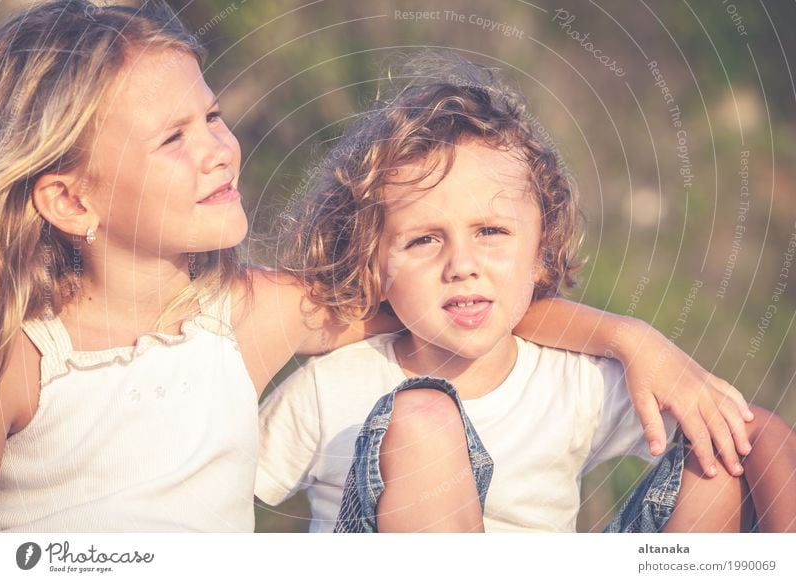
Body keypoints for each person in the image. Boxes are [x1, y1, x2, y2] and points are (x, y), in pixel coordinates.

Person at [0, 1, 750, 532]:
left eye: (214, 117)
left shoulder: (246, 316)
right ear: (69, 199)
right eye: (173, 139)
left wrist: (632, 340)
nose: (219, 149)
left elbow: (460, 310)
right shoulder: (25, 357)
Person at [256, 53, 796, 532]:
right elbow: (214, 501)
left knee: (717, 461)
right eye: (423, 240)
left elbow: (759, 438)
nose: (462, 265)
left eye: (491, 232)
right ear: (373, 264)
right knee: (423, 422)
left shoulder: (569, 381)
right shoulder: (331, 389)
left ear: (543, 250)